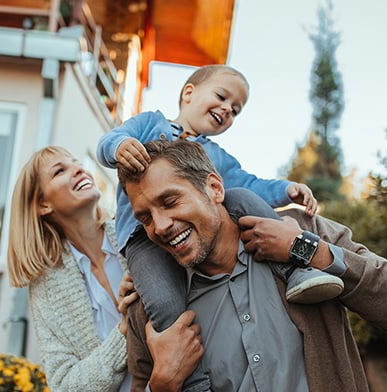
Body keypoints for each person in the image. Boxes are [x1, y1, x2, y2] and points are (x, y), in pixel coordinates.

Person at [118, 139, 387, 392]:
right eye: (145, 217)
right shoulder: (150, 310)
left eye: (170, 201)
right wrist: (162, 386)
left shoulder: (303, 232)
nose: (159, 226)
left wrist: (307, 251)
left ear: (214, 189)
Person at [97, 64, 343, 390]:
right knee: (165, 303)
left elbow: (248, 184)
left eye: (236, 110)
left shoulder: (216, 157)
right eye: (222, 96)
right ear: (189, 93)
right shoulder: (150, 123)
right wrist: (119, 148)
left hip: (196, 231)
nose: (228, 109)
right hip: (143, 239)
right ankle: (194, 382)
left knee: (240, 196)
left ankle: (296, 269)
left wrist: (286, 190)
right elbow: (110, 140)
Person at [7, 146, 139, 392]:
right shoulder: (46, 289)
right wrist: (123, 331)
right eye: (60, 171)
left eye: (77, 163)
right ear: (44, 204)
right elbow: (65, 386)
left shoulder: (134, 237)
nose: (80, 169)